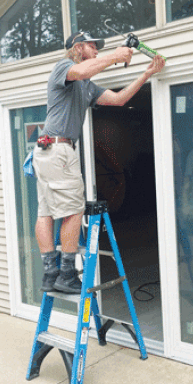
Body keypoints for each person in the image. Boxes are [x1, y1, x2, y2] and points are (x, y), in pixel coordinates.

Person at [32, 30, 165, 294]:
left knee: (46, 211)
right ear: (79, 48)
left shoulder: (86, 86)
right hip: (58, 150)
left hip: (49, 150)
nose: (97, 52)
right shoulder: (64, 68)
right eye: (94, 48)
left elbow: (119, 99)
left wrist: (147, 74)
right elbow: (81, 71)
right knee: (73, 211)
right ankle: (67, 274)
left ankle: (50, 273)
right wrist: (115, 56)